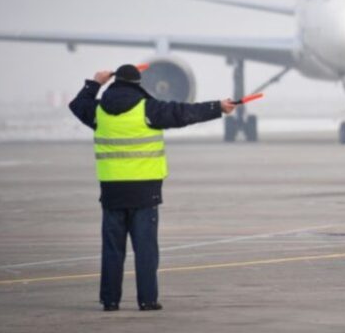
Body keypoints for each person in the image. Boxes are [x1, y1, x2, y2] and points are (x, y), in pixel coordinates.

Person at [69, 64, 236, 311]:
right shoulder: (148, 109)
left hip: (112, 193)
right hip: (145, 193)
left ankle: (110, 301)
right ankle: (147, 300)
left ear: (116, 83)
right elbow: (185, 112)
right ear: (138, 84)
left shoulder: (98, 113)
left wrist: (95, 83)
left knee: (112, 250)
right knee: (146, 250)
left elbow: (77, 105)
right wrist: (217, 107)